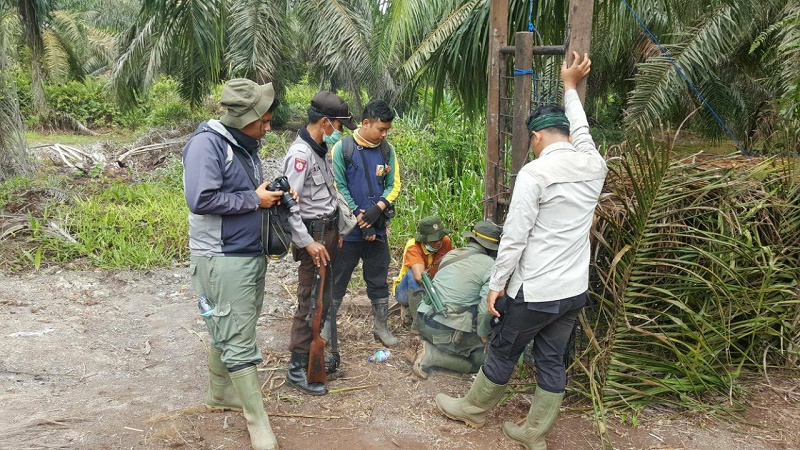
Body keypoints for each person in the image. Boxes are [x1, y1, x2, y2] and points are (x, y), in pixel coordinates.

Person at [435, 52, 607, 450]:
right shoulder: (594, 164)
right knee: (551, 358)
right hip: (573, 291)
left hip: (535, 291)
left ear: (536, 137)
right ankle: (535, 434)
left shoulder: (535, 173)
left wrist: (496, 285)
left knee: (503, 348)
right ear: (565, 134)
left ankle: (474, 410)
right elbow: (582, 130)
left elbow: (513, 238)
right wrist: (569, 85)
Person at [183, 78, 285, 450]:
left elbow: (241, 193)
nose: (267, 127)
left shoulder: (243, 145)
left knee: (229, 327)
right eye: (264, 121)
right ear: (245, 117)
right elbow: (201, 198)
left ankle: (220, 392)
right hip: (221, 257)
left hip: (246, 253)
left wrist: (266, 195)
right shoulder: (207, 145)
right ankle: (258, 424)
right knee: (237, 338)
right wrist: (252, 200)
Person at [282, 91, 356, 396]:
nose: (339, 133)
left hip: (327, 234)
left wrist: (336, 229)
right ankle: (297, 368)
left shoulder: (318, 150)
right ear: (324, 122)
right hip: (313, 238)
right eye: (338, 126)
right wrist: (308, 242)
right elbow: (289, 206)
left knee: (322, 301)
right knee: (310, 302)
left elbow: (325, 195)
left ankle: (310, 359)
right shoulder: (300, 156)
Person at [331, 99, 401, 347]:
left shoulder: (387, 151)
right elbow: (339, 186)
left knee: (378, 278)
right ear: (366, 123)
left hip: (378, 226)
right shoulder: (343, 148)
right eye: (381, 129)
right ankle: (327, 330)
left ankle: (380, 327)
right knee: (338, 278)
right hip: (349, 230)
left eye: (387, 130)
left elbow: (394, 185)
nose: (384, 134)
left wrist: (378, 209)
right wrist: (361, 217)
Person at [411, 220, 502, 379]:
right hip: (443, 330)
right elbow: (486, 310)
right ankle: (431, 355)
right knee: (483, 361)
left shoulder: (452, 254)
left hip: (423, 320)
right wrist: (483, 334)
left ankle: (426, 341)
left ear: (471, 239)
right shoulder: (492, 266)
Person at [392, 215, 453, 327]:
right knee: (413, 274)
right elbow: (420, 277)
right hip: (407, 290)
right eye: (433, 240)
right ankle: (418, 322)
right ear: (424, 239)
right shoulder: (413, 246)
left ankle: (419, 309)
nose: (438, 242)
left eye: (440, 237)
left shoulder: (445, 242)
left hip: (434, 286)